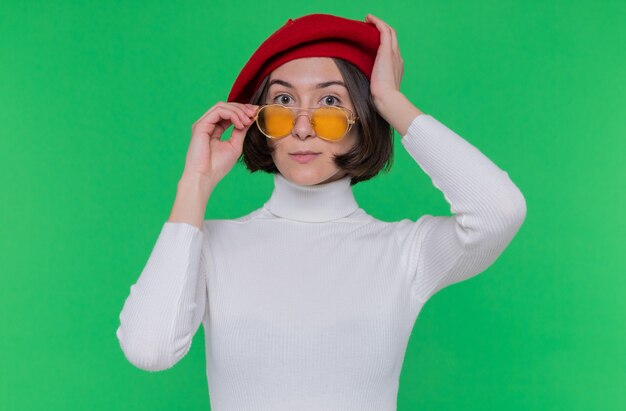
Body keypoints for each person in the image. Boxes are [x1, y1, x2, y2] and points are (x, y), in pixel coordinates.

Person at [116, 13, 527, 411]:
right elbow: (149, 349)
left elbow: (499, 211)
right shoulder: (210, 245)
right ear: (258, 119)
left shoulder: (405, 252)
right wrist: (195, 182)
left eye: (330, 101)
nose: (302, 127)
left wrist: (391, 100)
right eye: (283, 100)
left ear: (363, 119)